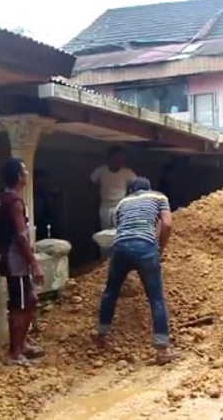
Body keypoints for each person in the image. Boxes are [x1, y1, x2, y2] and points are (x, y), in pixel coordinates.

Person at [94, 177, 177, 364]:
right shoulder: (159, 197)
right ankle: (162, 349)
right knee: (155, 297)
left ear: (131, 191)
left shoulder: (123, 202)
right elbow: (168, 224)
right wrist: (159, 248)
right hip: (145, 248)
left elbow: (120, 227)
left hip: (120, 248)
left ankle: (102, 336)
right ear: (149, 188)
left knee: (111, 291)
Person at [0, 158, 45, 366]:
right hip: (16, 261)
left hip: (12, 258)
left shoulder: (4, 198)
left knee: (30, 300)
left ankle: (22, 344)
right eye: (24, 171)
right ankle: (15, 353)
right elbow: (21, 236)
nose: (27, 174)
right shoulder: (15, 202)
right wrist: (33, 263)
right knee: (21, 306)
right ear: (18, 176)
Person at [90, 146, 137, 230]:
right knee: (105, 231)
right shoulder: (101, 171)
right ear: (109, 157)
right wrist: (96, 196)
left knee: (119, 230)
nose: (119, 160)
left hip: (120, 205)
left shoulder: (127, 172)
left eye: (121, 158)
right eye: (116, 157)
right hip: (105, 205)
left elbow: (137, 184)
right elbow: (91, 182)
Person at [33, 168, 54, 240]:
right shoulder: (28, 195)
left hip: (43, 227)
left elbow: (51, 210)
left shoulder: (45, 195)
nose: (42, 182)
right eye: (40, 180)